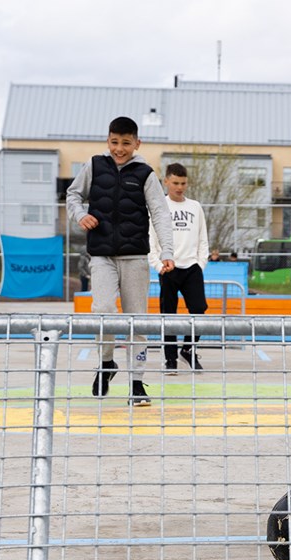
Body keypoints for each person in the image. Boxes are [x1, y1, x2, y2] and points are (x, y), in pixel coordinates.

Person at [65, 116, 175, 407]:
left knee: (137, 319)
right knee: (101, 310)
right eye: (115, 142)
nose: (119, 148)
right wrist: (79, 215)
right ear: (108, 140)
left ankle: (137, 383)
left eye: (126, 143)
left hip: (135, 257)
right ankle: (106, 363)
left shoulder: (145, 174)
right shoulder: (94, 166)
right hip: (101, 255)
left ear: (137, 143)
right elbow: (73, 195)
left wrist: (167, 252)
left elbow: (161, 214)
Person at [149, 163, 209, 374]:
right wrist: (158, 265)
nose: (179, 187)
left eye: (183, 183)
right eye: (175, 183)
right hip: (168, 267)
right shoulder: (159, 207)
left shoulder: (195, 206)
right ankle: (171, 359)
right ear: (166, 182)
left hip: (192, 267)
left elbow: (203, 238)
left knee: (199, 310)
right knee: (169, 315)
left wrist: (201, 263)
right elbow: (151, 240)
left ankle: (188, 350)